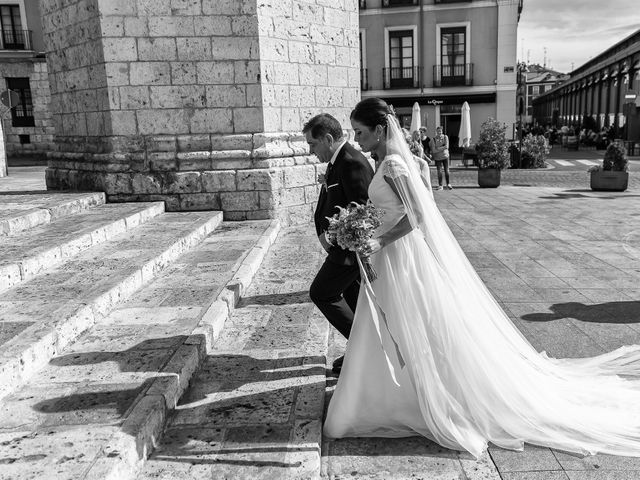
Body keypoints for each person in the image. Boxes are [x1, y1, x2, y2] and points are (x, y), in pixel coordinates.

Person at [324, 97, 640, 459]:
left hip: (400, 255)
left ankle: (411, 395)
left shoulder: (395, 164)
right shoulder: (384, 162)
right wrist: (361, 228)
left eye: (361, 132)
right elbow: (386, 209)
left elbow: (417, 218)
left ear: (380, 130)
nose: (357, 138)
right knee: (395, 323)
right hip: (386, 255)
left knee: (409, 321)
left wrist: (378, 238)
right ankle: (390, 393)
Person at [304, 113, 374, 375]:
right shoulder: (338, 161)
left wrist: (334, 236)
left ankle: (363, 350)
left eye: (313, 145)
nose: (312, 152)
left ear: (328, 138)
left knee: (322, 292)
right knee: (356, 303)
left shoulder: (351, 162)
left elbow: (363, 210)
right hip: (343, 249)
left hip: (349, 251)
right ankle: (365, 350)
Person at [431, 125, 451, 190]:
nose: (439, 132)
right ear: (436, 131)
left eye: (440, 131)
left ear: (442, 131)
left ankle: (448, 184)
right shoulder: (433, 139)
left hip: (445, 156)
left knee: (446, 170)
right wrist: (443, 147)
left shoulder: (445, 137)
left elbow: (447, 146)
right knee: (439, 171)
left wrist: (438, 148)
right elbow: (433, 150)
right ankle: (440, 185)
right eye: (438, 131)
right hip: (438, 158)